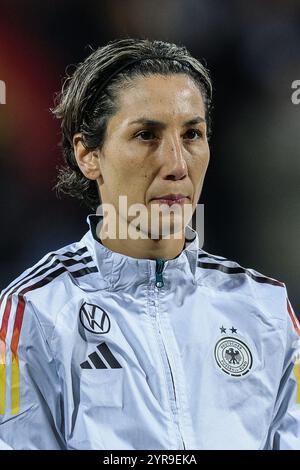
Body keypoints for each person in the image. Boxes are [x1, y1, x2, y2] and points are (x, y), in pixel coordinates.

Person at [0, 37, 299, 450]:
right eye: (146, 135)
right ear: (88, 154)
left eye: (192, 134)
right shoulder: (35, 312)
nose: (177, 164)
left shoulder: (265, 309)